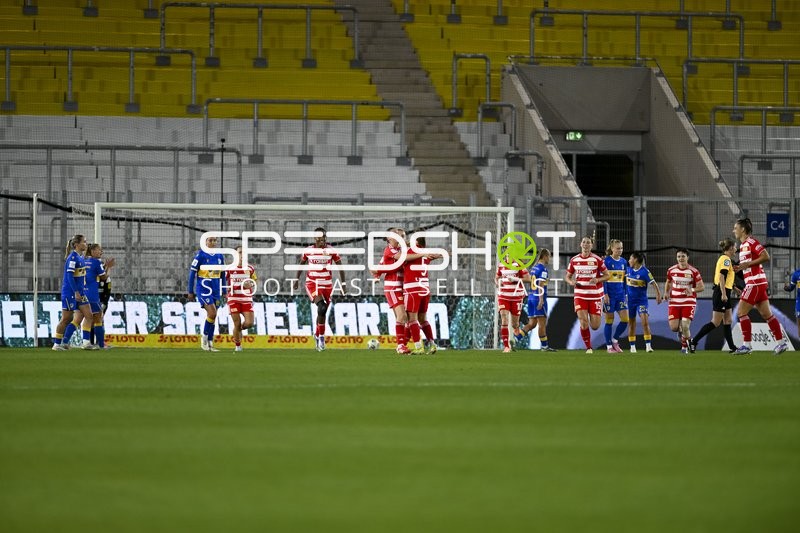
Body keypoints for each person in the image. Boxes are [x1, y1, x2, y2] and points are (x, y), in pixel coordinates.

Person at [732, 217, 788, 354]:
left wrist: (747, 264)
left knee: (741, 312)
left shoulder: (751, 242)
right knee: (766, 314)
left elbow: (766, 256)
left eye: (735, 228)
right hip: (759, 283)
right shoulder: (743, 246)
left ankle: (747, 345)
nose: (734, 231)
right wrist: (740, 268)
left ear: (743, 229)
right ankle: (781, 343)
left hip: (755, 283)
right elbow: (749, 265)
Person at [294, 227, 345, 352]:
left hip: (327, 285)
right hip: (312, 283)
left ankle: (317, 334)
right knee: (321, 307)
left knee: (322, 312)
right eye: (319, 237)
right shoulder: (308, 251)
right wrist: (296, 279)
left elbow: (340, 267)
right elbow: (301, 264)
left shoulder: (331, 251)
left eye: (324, 237)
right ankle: (322, 338)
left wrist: (343, 284)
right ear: (315, 238)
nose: (322, 239)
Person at [689, 239, 739, 353]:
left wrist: (734, 288)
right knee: (716, 322)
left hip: (725, 291)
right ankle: (693, 341)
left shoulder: (726, 259)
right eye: (735, 247)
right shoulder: (726, 259)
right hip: (721, 292)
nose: (736, 249)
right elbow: (721, 277)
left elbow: (726, 278)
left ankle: (732, 347)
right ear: (731, 248)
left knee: (728, 320)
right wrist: (724, 294)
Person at [565, 236, 610, 354]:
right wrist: (571, 282)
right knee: (583, 321)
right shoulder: (574, 260)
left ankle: (597, 312)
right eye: (584, 242)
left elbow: (607, 275)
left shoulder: (597, 260)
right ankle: (589, 347)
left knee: (595, 326)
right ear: (580, 244)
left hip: (594, 295)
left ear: (591, 245)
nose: (585, 244)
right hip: (580, 295)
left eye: (588, 243)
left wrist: (598, 279)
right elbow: (567, 277)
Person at [52, 234, 93, 351]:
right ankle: (56, 344)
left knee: (89, 315)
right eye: (84, 242)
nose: (86, 244)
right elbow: (69, 276)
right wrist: (75, 292)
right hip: (70, 293)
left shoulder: (80, 257)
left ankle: (86, 343)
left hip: (80, 293)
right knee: (66, 319)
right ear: (76, 244)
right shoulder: (73, 258)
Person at [372, 227, 410, 354]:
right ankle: (401, 345)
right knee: (402, 316)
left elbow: (381, 264)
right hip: (393, 287)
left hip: (402, 286)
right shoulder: (390, 250)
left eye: (401, 235)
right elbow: (401, 258)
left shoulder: (399, 248)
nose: (400, 237)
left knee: (406, 318)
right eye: (396, 235)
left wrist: (377, 274)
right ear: (389, 238)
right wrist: (377, 274)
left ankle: (402, 345)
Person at [402, 233, 441, 354]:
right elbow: (434, 256)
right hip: (425, 289)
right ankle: (432, 344)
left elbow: (400, 258)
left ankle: (418, 347)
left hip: (412, 289)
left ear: (416, 241)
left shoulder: (410, 251)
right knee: (423, 319)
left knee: (412, 319)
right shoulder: (425, 253)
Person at [187, 235, 227, 352]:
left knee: (213, 317)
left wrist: (224, 291)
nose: (213, 242)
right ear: (205, 242)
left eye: (215, 240)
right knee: (212, 313)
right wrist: (190, 291)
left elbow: (222, 275)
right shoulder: (200, 255)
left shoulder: (219, 256)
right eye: (210, 240)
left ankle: (210, 343)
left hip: (216, 290)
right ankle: (204, 339)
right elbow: (192, 274)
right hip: (204, 290)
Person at [664, 248, 704, 354]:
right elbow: (668, 282)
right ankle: (686, 337)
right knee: (674, 328)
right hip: (674, 301)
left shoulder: (693, 271)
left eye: (683, 256)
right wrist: (666, 293)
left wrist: (692, 290)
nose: (681, 258)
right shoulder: (671, 270)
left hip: (688, 301)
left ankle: (684, 346)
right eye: (679, 256)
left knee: (685, 325)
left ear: (687, 257)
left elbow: (701, 287)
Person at [77, 243, 115, 350]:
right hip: (92, 295)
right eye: (99, 250)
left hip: (82, 293)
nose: (101, 252)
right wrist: (109, 267)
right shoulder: (96, 262)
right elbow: (104, 277)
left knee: (78, 319)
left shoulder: (82, 261)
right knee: (98, 319)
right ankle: (100, 344)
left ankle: (66, 341)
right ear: (93, 251)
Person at [519, 248, 557, 352]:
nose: (549, 259)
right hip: (538, 298)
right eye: (549, 256)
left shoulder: (534, 268)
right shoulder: (543, 269)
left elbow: (535, 281)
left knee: (532, 324)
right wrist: (541, 299)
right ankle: (544, 346)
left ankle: (516, 337)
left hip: (531, 298)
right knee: (542, 324)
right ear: (545, 256)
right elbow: (540, 283)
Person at [625, 251, 663, 353]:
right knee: (631, 323)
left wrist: (658, 295)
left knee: (645, 322)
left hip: (641, 301)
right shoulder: (628, 269)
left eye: (630, 258)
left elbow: (654, 283)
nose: (629, 260)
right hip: (630, 301)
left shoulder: (645, 272)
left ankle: (648, 346)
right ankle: (632, 347)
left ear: (635, 260)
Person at [496, 253, 532, 353]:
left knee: (514, 324)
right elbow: (497, 277)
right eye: (507, 254)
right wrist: (498, 283)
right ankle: (506, 346)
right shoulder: (501, 264)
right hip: (503, 296)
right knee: (504, 319)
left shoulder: (519, 264)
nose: (508, 256)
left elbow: (529, 279)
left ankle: (516, 331)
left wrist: (516, 279)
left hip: (516, 296)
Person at [227, 246, 257, 353]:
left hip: (246, 299)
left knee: (249, 323)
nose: (242, 255)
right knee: (237, 323)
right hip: (233, 299)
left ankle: (239, 329)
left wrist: (251, 284)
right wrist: (238, 286)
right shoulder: (229, 269)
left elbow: (254, 281)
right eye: (240, 252)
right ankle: (238, 346)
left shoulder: (250, 269)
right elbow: (224, 284)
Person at [602, 239, 630, 353]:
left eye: (621, 248)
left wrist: (626, 293)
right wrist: (605, 294)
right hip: (610, 295)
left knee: (625, 320)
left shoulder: (624, 262)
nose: (620, 250)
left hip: (620, 296)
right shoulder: (606, 261)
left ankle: (615, 340)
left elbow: (625, 280)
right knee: (609, 320)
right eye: (618, 248)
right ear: (612, 249)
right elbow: (604, 279)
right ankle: (609, 346)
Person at [784, 266, 800, 338]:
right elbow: (791, 287)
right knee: (799, 321)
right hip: (799, 300)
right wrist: (787, 288)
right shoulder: (797, 273)